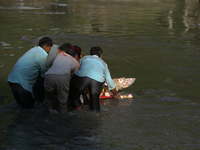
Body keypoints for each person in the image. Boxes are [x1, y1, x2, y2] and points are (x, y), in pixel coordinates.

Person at [69, 47, 121, 111]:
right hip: (97, 81)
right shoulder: (103, 63)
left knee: (74, 97)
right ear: (100, 56)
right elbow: (109, 81)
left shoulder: (84, 58)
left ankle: (78, 110)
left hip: (82, 78)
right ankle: (95, 115)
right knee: (95, 103)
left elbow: (77, 69)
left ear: (90, 53)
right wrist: (116, 94)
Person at [7, 37, 53, 109]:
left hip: (12, 80)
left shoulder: (33, 50)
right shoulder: (42, 55)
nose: (49, 51)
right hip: (21, 83)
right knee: (28, 109)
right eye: (50, 49)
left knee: (22, 106)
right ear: (46, 47)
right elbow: (45, 74)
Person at [44, 43, 80, 113]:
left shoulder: (59, 55)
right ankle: (62, 115)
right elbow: (74, 77)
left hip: (49, 76)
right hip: (63, 77)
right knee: (62, 100)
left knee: (48, 97)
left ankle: (49, 110)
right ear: (76, 56)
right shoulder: (75, 62)